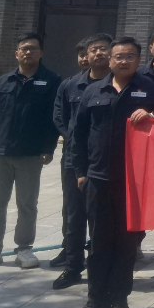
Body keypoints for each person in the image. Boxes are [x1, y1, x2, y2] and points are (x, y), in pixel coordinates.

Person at [68, 37, 154, 308]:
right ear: (109, 60)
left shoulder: (150, 89)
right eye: (119, 56)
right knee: (98, 241)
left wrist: (152, 114)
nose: (123, 61)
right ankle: (95, 300)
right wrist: (80, 172)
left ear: (139, 59)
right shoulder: (93, 91)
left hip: (133, 181)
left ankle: (120, 299)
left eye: (130, 56)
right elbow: (78, 135)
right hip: (97, 177)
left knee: (126, 242)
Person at [0, 34, 61, 273]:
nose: (28, 52)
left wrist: (48, 148)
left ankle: (24, 248)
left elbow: (53, 120)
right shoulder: (3, 82)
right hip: (0, 152)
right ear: (17, 53)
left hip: (31, 154)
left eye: (33, 48)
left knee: (27, 204)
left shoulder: (52, 81)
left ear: (41, 53)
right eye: (24, 49)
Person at [50, 34, 109, 286]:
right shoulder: (70, 85)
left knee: (101, 217)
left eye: (103, 49)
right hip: (74, 160)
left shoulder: (117, 84)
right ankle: (73, 266)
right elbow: (59, 117)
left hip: (104, 161)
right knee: (74, 215)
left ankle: (100, 268)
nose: (97, 54)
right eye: (93, 50)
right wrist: (76, 140)